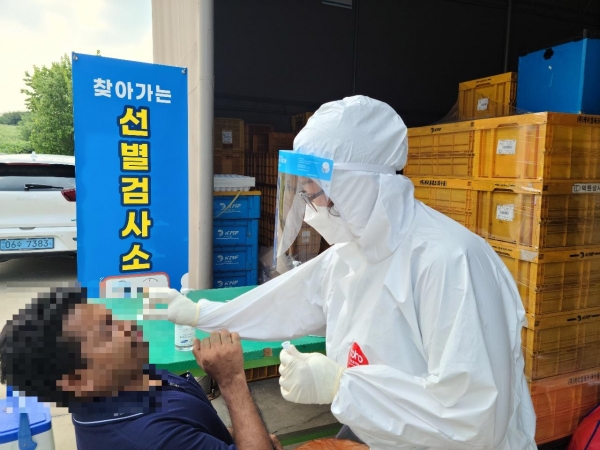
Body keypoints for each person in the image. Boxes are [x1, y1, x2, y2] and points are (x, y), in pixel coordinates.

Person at [149, 95, 538, 449]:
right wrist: (202, 313)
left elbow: (475, 419)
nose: (310, 205)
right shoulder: (355, 253)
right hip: (378, 433)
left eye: (314, 191)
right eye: (303, 192)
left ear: (356, 185)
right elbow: (287, 302)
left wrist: (342, 385)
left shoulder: (449, 261)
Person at [0, 287, 281, 450]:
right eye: (107, 332)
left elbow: (195, 426)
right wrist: (231, 380)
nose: (129, 327)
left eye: (113, 319)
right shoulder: (149, 438)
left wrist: (247, 437)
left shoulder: (125, 379)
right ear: (78, 380)